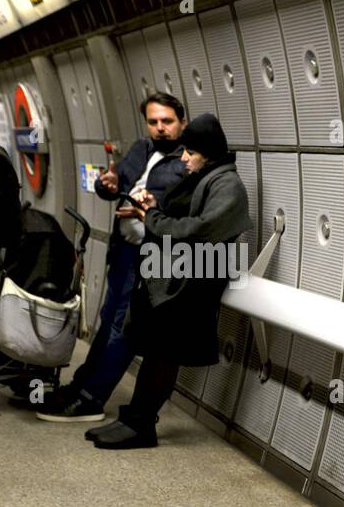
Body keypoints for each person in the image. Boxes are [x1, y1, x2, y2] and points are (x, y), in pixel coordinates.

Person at [87, 113, 251, 450]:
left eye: (191, 151)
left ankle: (141, 425)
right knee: (156, 351)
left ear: (207, 151)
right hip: (178, 276)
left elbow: (199, 230)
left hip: (196, 280)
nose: (185, 157)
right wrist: (154, 206)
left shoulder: (228, 185)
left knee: (164, 354)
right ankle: (135, 418)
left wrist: (153, 218)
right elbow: (181, 213)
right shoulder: (205, 175)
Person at [34, 92, 186, 422]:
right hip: (124, 252)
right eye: (153, 121)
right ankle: (80, 385)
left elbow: (185, 212)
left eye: (167, 121)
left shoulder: (187, 161)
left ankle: (91, 398)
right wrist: (108, 183)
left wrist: (152, 206)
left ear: (182, 122)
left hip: (152, 259)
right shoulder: (141, 150)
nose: (160, 128)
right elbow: (114, 188)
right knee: (107, 323)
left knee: (123, 330)